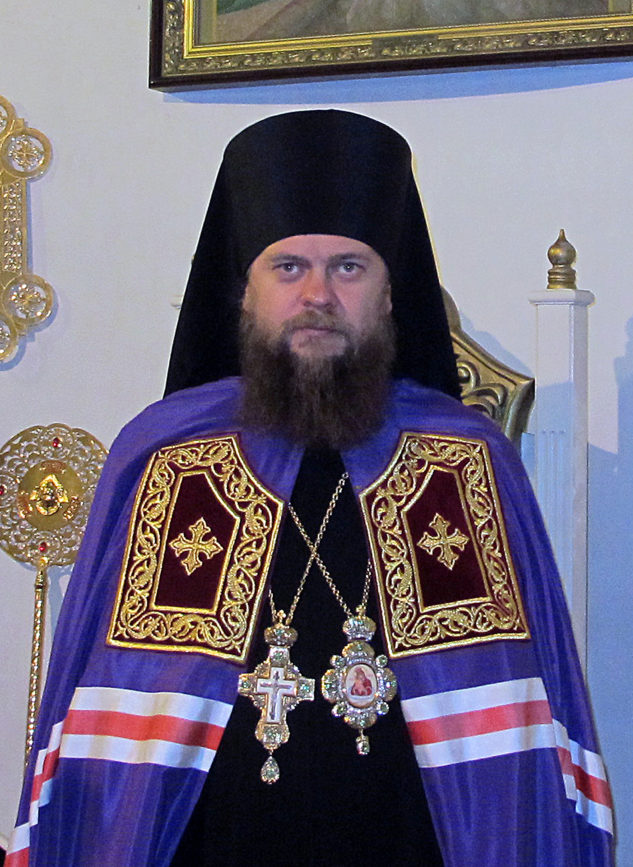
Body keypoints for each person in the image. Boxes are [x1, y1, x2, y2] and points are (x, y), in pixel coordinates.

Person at [7, 110, 613, 866]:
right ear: (245, 291)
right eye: (288, 267)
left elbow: (519, 741)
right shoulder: (164, 458)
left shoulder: (464, 463)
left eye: (349, 267)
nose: (317, 294)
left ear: (390, 294)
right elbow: (109, 745)